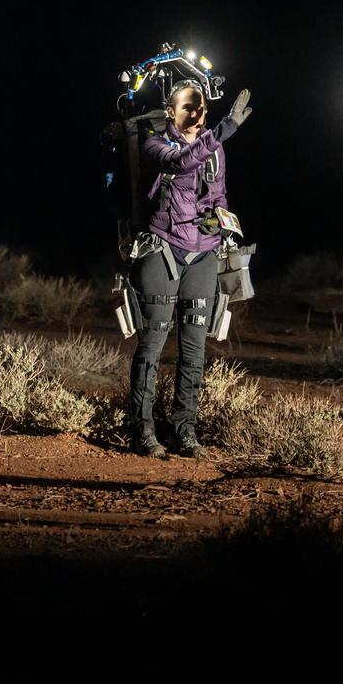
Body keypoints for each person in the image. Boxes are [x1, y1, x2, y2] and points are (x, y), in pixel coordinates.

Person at [128, 81, 252, 458]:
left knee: (195, 348)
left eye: (201, 108)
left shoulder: (216, 151)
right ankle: (142, 431)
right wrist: (223, 131)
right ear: (170, 111)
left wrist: (222, 223)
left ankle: (186, 431)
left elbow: (219, 194)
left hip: (203, 254)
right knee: (152, 343)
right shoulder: (153, 144)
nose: (197, 115)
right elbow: (179, 162)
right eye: (188, 108)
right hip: (162, 248)